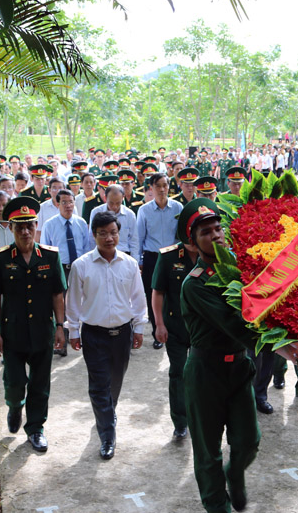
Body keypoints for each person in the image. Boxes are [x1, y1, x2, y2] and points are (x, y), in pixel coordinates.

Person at [179, 198, 298, 513]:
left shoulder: (244, 267)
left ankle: (234, 473)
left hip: (238, 370)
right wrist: (282, 347)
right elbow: (235, 322)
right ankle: (216, 504)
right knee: (208, 452)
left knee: (249, 440)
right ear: (193, 242)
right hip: (206, 373)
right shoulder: (194, 285)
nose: (216, 235)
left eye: (219, 228)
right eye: (206, 232)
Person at [66, 211, 148, 460]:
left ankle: (107, 412)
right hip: (94, 335)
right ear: (94, 235)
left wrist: (139, 327)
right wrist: (73, 330)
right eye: (103, 234)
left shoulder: (130, 264)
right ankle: (107, 435)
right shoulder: (81, 266)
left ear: (118, 233)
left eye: (113, 232)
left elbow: (137, 298)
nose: (109, 238)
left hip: (122, 334)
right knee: (99, 386)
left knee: (115, 382)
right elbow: (73, 302)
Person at [0, 197, 67, 452]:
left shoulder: (50, 257)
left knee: (40, 384)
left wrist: (60, 326)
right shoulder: (0, 259)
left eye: (29, 226)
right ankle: (14, 405)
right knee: (14, 383)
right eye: (19, 227)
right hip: (13, 333)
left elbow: (57, 294)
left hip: (42, 331)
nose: (25, 232)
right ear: (11, 229)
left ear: (36, 226)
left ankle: (35, 428)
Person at [151, 239, 198, 439]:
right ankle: (180, 422)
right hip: (175, 326)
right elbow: (158, 292)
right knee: (178, 373)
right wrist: (159, 324)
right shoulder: (169, 256)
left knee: (200, 375)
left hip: (202, 329)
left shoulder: (213, 254)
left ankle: (199, 418)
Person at [41, 188, 91, 356]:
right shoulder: (50, 224)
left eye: (71, 202)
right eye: (64, 202)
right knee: (60, 303)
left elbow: (86, 248)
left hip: (78, 267)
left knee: (79, 302)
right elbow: (45, 249)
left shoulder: (81, 223)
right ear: (57, 204)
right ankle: (61, 340)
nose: (68, 206)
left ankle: (78, 336)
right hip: (59, 268)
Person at [137, 173, 183, 349]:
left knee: (174, 294)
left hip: (172, 257)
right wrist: (139, 260)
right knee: (153, 294)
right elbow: (139, 237)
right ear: (151, 188)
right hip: (152, 257)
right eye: (158, 186)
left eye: (165, 185)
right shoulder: (144, 210)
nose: (162, 189)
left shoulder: (178, 208)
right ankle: (157, 331)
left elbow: (181, 235)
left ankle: (173, 330)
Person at [36, 176, 67, 242]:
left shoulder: (70, 207)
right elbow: (38, 232)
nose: (58, 191)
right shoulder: (42, 208)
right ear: (49, 190)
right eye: (54, 188)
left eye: (60, 188)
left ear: (65, 189)